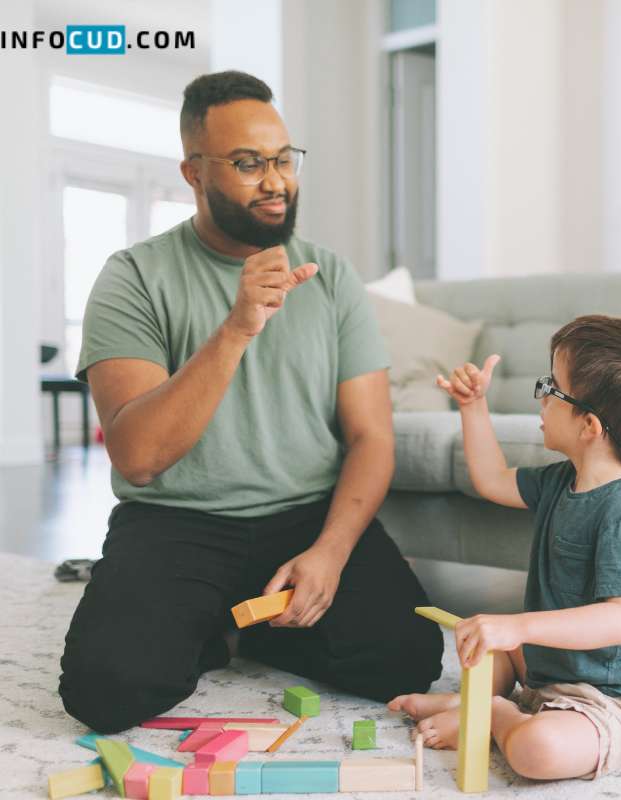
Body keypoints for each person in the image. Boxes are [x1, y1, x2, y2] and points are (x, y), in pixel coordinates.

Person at [58, 70, 443, 734]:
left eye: (283, 159)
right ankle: (219, 623)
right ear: (194, 173)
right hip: (177, 521)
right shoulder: (133, 277)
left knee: (408, 657)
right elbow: (139, 456)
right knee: (105, 690)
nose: (276, 180)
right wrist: (236, 329)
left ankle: (242, 625)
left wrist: (331, 551)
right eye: (247, 163)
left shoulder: (333, 276)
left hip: (305, 518)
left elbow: (371, 436)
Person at [389, 314, 621, 781]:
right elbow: (492, 480)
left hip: (611, 700)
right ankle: (480, 703)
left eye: (551, 388)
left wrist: (517, 625)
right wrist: (473, 406)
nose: (541, 397)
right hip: (546, 669)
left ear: (589, 426)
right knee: (486, 647)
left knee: (538, 752)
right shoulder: (564, 480)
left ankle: (493, 714)